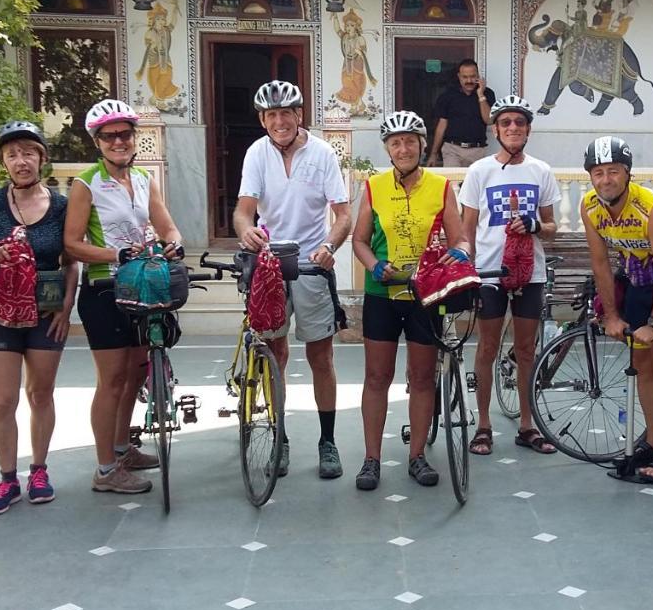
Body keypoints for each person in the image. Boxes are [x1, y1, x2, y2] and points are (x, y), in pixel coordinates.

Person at [232, 80, 352, 480]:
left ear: (299, 115)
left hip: (311, 265)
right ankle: (280, 437)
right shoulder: (256, 153)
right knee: (275, 356)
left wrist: (329, 247)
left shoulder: (321, 154)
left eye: (286, 113)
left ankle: (328, 442)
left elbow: (343, 215)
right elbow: (243, 210)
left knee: (322, 358)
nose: (279, 121)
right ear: (263, 119)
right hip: (269, 265)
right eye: (271, 115)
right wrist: (246, 230)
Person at [64, 99, 184, 495]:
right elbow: (72, 244)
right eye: (109, 136)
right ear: (97, 142)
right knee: (112, 379)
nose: (119, 141)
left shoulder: (145, 180)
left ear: (135, 138)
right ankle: (104, 469)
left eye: (125, 134)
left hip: (142, 288)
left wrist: (173, 245)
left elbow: (167, 226)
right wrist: (115, 254)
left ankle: (122, 449)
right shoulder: (86, 184)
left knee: (135, 373)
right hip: (104, 288)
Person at [351, 111, 472, 491]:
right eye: (395, 143)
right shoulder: (374, 187)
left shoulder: (440, 188)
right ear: (388, 149)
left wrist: (461, 254)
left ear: (422, 145)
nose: (403, 148)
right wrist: (374, 265)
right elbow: (359, 239)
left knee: (421, 378)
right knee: (376, 377)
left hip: (425, 294)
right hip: (382, 296)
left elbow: (460, 239)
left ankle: (416, 455)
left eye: (409, 141)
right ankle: (371, 459)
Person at [0, 121, 78, 514]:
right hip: (0, 312)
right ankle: (6, 478)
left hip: (47, 313)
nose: (21, 161)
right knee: (2, 400)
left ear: (41, 158)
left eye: (29, 153)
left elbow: (71, 263)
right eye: (13, 154)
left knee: (40, 393)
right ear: (3, 161)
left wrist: (67, 309)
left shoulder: (63, 206)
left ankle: (38, 469)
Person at [582, 136, 653, 484]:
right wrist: (611, 315)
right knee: (640, 363)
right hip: (638, 279)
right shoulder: (590, 207)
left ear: (628, 173)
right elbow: (601, 264)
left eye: (614, 171)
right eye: (599, 172)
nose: (606, 180)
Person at [458, 95, 561, 456]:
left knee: (526, 351)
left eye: (519, 122)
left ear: (528, 129)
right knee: (486, 348)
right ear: (496, 129)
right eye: (506, 123)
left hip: (530, 271)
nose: (513, 128)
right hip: (490, 271)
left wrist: (536, 224)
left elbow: (552, 226)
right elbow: (467, 227)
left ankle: (527, 425)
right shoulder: (479, 171)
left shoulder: (541, 171)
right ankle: (483, 424)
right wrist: (466, 268)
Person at [427, 59, 495, 168]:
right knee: (453, 184)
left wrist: (481, 95)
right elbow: (442, 125)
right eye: (465, 77)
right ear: (459, 76)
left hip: (478, 150)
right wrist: (433, 154)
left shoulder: (488, 93)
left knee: (475, 185)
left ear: (478, 76)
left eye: (473, 76)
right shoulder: (448, 95)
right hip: (452, 149)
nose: (469, 80)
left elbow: (489, 120)